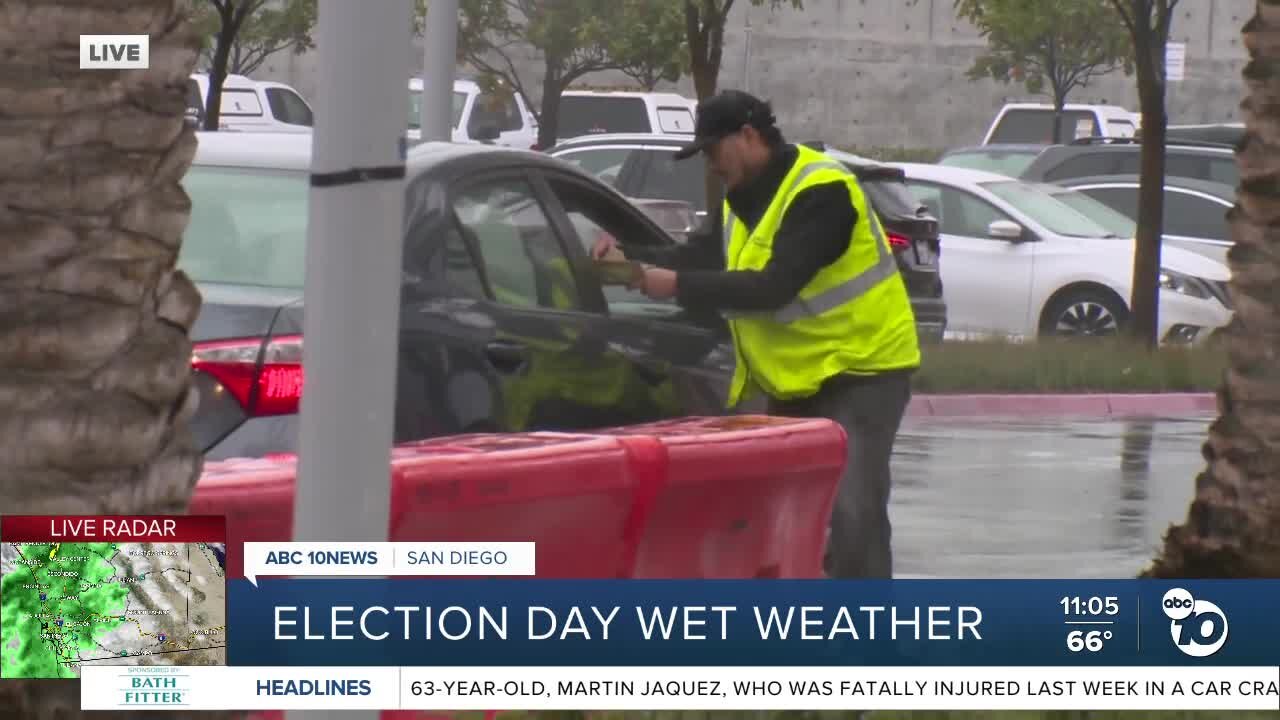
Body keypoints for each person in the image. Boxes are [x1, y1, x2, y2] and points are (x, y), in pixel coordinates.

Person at [591, 89, 920, 578]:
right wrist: (632, 263)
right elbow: (699, 257)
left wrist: (672, 284)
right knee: (797, 517)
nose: (710, 165)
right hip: (797, 378)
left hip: (863, 369)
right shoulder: (741, 200)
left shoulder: (821, 190)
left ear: (748, 136)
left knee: (853, 515)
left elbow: (774, 286)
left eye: (713, 150)